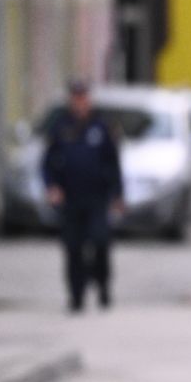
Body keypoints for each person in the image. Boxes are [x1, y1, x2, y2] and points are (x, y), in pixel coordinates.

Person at [41, 79, 123, 313]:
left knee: (100, 242)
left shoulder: (102, 126)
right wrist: (52, 187)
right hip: (71, 198)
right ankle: (76, 295)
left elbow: (113, 163)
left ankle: (103, 285)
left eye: (83, 97)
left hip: (97, 197)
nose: (80, 102)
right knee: (73, 247)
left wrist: (118, 194)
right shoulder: (60, 126)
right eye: (76, 98)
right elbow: (47, 163)